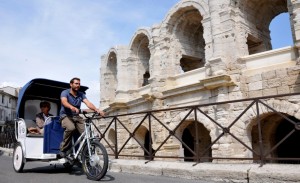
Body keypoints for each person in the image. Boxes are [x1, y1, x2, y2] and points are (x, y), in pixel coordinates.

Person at [59, 77, 105, 157]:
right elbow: (64, 102)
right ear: (71, 84)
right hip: (66, 115)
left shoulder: (81, 94)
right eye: (76, 83)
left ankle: (84, 153)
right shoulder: (65, 92)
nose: (78, 85)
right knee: (71, 128)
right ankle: (63, 148)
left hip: (76, 116)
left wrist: (97, 110)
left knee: (86, 132)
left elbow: (88, 103)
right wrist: (71, 107)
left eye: (79, 84)